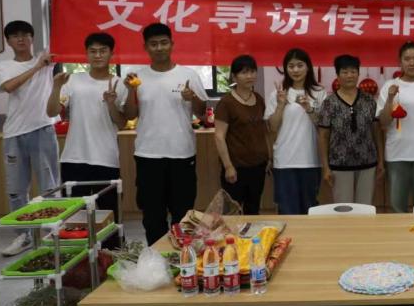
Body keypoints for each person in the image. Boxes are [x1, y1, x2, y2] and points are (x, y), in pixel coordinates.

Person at [122, 23, 206, 246]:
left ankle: (183, 258)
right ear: (146, 47)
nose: (159, 48)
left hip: (182, 154)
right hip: (148, 155)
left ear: (172, 44)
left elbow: (202, 112)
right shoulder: (137, 77)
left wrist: (192, 97)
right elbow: (129, 115)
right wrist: (130, 92)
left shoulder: (188, 75)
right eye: (153, 44)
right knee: (152, 216)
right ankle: (156, 259)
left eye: (163, 43)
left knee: (183, 215)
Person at [46, 32, 126, 222]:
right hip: (74, 158)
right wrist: (56, 87)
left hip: (106, 159)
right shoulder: (73, 80)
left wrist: (111, 104)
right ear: (86, 54)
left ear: (111, 53)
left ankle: (113, 243)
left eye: (103, 51)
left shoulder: (119, 84)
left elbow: (122, 123)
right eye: (93, 51)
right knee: (75, 218)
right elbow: (51, 112)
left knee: (111, 216)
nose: (98, 55)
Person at [0, 20, 60, 256]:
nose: (21, 39)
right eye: (15, 36)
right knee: (16, 190)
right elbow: (9, 86)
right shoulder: (4, 66)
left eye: (25, 34)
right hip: (14, 133)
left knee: (50, 186)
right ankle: (24, 235)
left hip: (43, 129)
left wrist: (43, 63)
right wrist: (36, 67)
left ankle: (53, 231)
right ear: (9, 41)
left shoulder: (47, 59)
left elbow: (65, 38)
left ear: (32, 38)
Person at [377, 41, 414, 213]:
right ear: (400, 62)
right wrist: (390, 98)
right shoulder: (389, 86)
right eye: (407, 59)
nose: (412, 63)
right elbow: (383, 122)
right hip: (397, 154)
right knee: (397, 206)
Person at [266, 48, 325, 214]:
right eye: (291, 66)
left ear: (308, 67)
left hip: (311, 160)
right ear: (285, 69)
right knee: (287, 211)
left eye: (300, 65)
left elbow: (323, 127)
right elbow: (272, 127)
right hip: (284, 161)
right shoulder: (277, 94)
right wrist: (280, 105)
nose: (296, 70)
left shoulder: (319, 93)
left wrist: (309, 109)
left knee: (310, 210)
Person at [318, 54, 383, 204]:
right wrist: (326, 167)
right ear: (337, 75)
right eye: (345, 72)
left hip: (368, 162)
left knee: (365, 207)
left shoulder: (369, 100)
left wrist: (380, 161)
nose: (349, 75)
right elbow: (323, 136)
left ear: (358, 73)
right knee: (343, 208)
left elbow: (376, 132)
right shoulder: (329, 103)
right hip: (339, 164)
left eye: (353, 71)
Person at [213, 55, 269, 215]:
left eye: (252, 71)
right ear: (234, 76)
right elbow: (219, 137)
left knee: (253, 210)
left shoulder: (259, 99)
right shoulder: (226, 103)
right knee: (232, 213)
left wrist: (268, 158)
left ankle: (250, 233)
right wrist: (228, 166)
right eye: (244, 72)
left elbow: (263, 131)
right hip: (236, 168)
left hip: (258, 166)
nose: (249, 76)